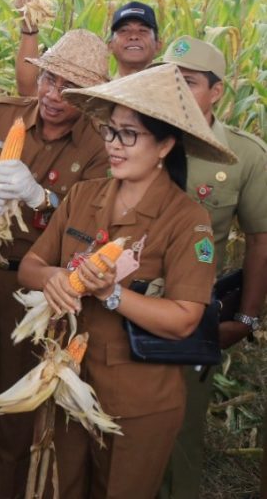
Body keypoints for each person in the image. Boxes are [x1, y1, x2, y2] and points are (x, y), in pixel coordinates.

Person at [18, 63, 237, 498]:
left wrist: (112, 294)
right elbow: (30, 266)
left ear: (164, 145)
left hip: (139, 400)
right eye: (110, 131)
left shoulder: (186, 220)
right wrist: (56, 278)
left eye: (129, 135)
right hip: (69, 381)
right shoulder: (83, 195)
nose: (114, 145)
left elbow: (183, 319)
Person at [0, 30, 111, 499]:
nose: (52, 95)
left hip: (39, 292)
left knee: (19, 415)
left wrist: (44, 198)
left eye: (67, 89)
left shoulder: (98, 143)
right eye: (48, 79)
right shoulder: (0, 114)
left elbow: (97, 219)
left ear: (88, 97)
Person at [154, 37, 267, 499]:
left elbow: (261, 239)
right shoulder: (133, 134)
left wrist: (247, 317)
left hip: (191, 312)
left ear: (218, 92)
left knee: (180, 431)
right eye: (170, 79)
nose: (177, 90)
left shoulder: (245, 155)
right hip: (120, 304)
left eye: (191, 82)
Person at [15, 0, 162, 95]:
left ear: (158, 45)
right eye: (124, 31)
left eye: (143, 31)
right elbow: (29, 92)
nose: (134, 36)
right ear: (109, 46)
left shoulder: (171, 95)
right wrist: (29, 28)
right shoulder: (93, 94)